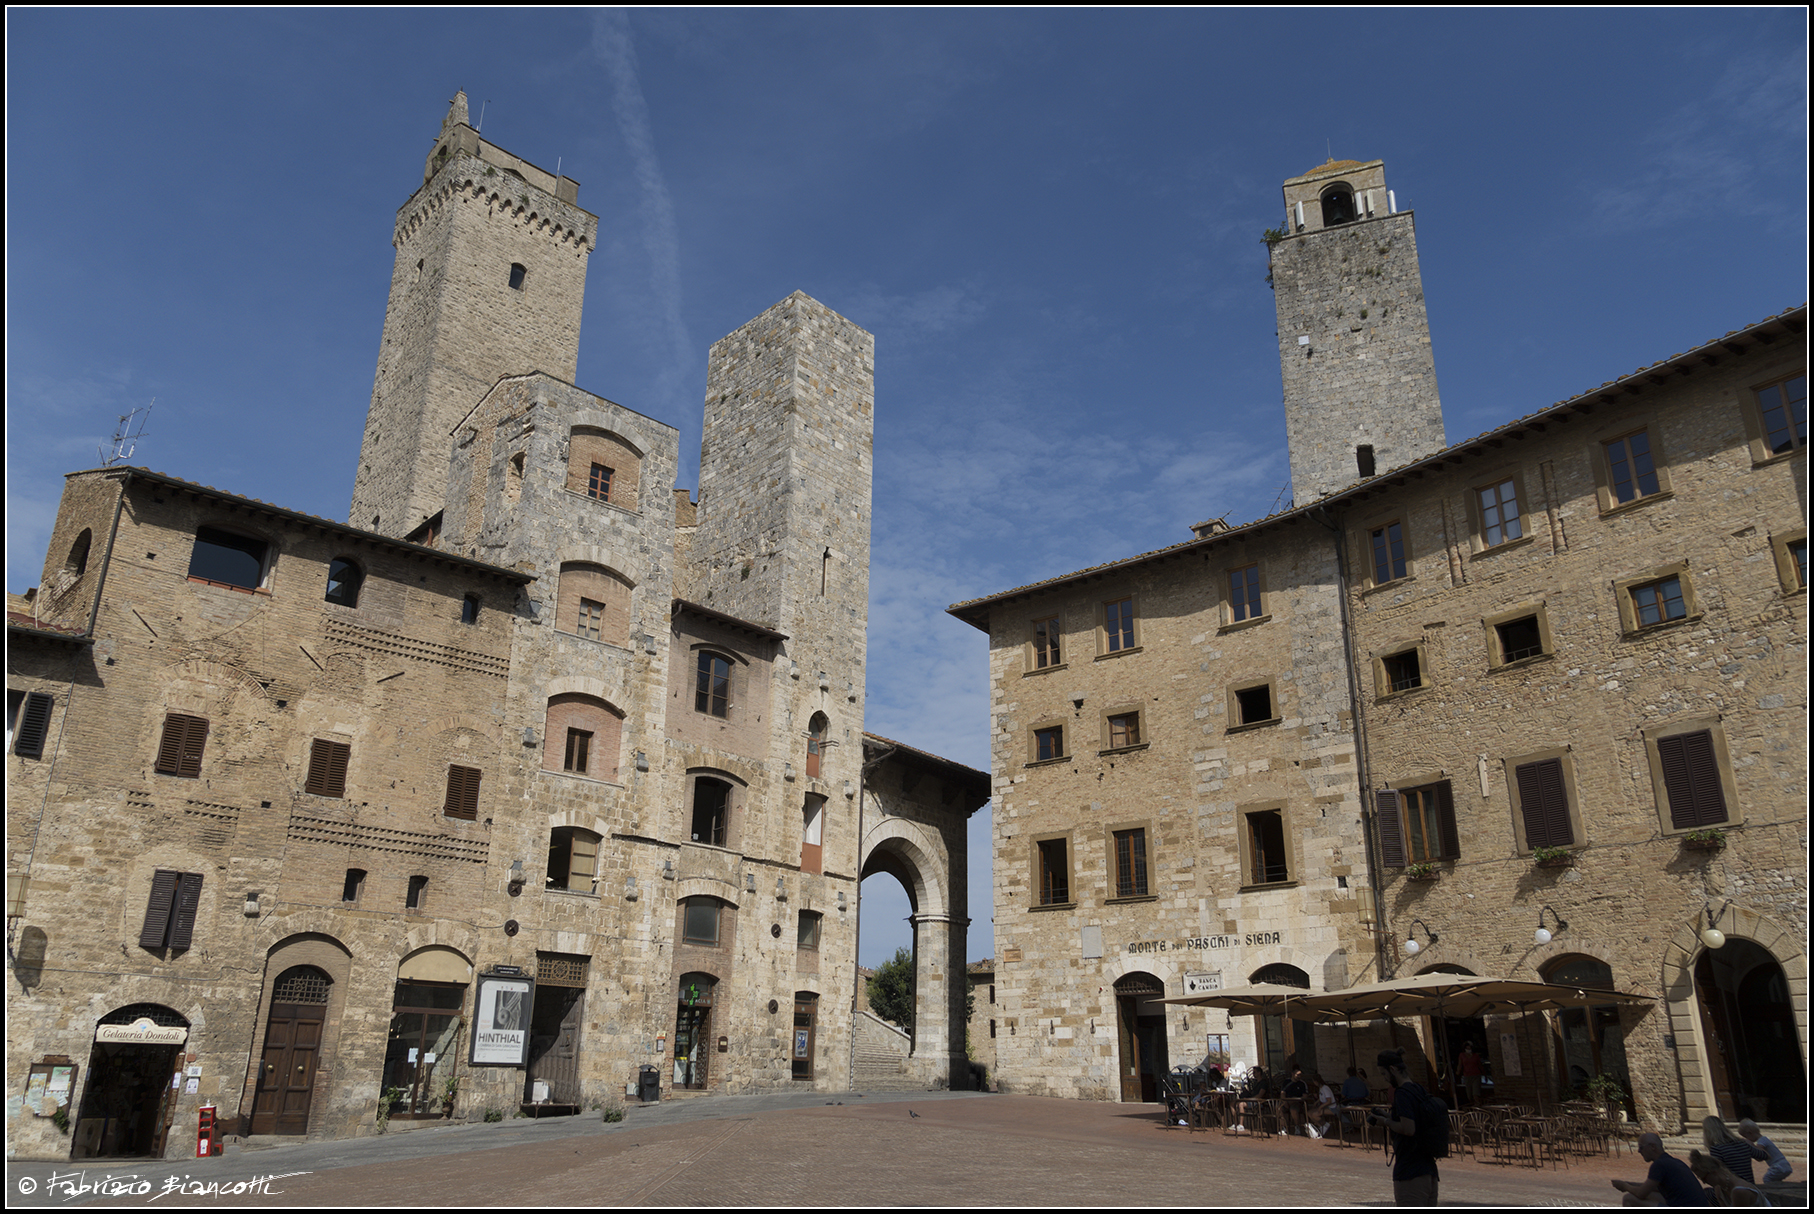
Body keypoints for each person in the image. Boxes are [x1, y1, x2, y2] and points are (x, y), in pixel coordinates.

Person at [1368, 1049, 1439, 1207]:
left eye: (1383, 1074)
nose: (1385, 1078)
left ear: (1392, 1069)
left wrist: (1385, 1123)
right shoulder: (1418, 1090)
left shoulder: (1402, 1094)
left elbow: (1409, 1128)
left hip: (1411, 1172)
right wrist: (1387, 1117)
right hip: (1428, 1168)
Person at [1611, 1132, 1710, 1206]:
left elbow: (1641, 1193)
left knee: (1629, 1199)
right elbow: (1652, 1187)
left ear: (1653, 1147)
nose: (1639, 1151)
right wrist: (1628, 1183)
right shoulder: (1673, 1161)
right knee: (1650, 1194)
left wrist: (1625, 1186)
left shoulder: (1659, 1165)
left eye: (1641, 1147)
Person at [1691, 1149, 1771, 1206]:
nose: (1704, 1182)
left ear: (1713, 1172)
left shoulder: (1738, 1191)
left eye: (1704, 1178)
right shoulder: (1720, 1188)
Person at [1705, 1115, 1767, 1184]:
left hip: (1734, 1189)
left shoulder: (1716, 1149)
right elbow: (1764, 1155)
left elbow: (1718, 1174)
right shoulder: (1742, 1143)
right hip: (1750, 1187)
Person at [1739, 1119, 1793, 1184]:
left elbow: (1759, 1154)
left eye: (1746, 1137)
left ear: (1750, 1133)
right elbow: (1759, 1158)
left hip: (1779, 1166)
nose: (1747, 1139)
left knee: (1767, 1179)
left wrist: (1750, 1144)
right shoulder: (1763, 1139)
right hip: (1783, 1165)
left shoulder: (1762, 1141)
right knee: (1776, 1181)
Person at [1309, 1072, 1338, 1140]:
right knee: (1309, 1113)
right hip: (1325, 1106)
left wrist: (1320, 1107)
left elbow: (1329, 1101)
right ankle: (1321, 1126)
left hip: (1332, 1108)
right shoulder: (1321, 1088)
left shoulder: (1325, 1088)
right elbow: (1322, 1097)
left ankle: (1325, 1125)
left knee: (1314, 1114)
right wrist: (1316, 1102)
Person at [1282, 1066, 1310, 1136]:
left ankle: (1297, 1127)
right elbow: (1282, 1093)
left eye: (1300, 1075)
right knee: (1278, 1108)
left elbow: (1305, 1096)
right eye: (1297, 1075)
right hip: (1287, 1101)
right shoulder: (1286, 1082)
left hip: (1297, 1103)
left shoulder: (1302, 1084)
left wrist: (1296, 1099)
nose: (1299, 1076)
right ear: (1292, 1074)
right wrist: (1285, 1102)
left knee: (1293, 1109)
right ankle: (1283, 1127)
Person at [1457, 1040, 1484, 1107]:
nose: (1468, 1050)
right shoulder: (1462, 1055)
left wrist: (1484, 1073)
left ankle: (1478, 1106)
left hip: (1476, 1075)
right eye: (1467, 1048)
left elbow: (1480, 1065)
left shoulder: (1476, 1056)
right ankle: (1472, 1105)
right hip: (1467, 1076)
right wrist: (1458, 1072)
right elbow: (1460, 1064)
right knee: (1469, 1094)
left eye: (1470, 1048)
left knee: (1475, 1093)